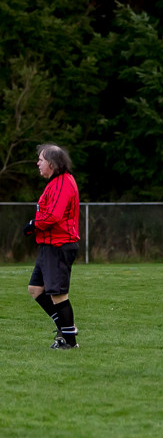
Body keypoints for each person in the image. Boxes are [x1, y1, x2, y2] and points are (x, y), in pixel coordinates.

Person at [25, 144, 81, 349]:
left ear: (52, 163)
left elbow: (54, 215)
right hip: (48, 245)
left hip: (59, 244)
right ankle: (64, 328)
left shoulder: (63, 183)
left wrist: (33, 224)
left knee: (58, 294)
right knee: (36, 289)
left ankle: (70, 340)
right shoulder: (55, 182)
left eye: (41, 159)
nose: (38, 163)